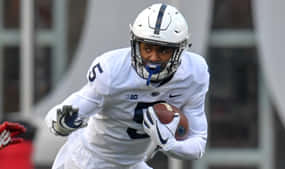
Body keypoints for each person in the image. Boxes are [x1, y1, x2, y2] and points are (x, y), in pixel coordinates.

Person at [45, 3, 209, 169]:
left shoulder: (194, 73)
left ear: (180, 51)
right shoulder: (112, 69)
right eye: (147, 48)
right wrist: (60, 123)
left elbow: (198, 144)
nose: (153, 58)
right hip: (88, 160)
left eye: (163, 50)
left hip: (133, 164)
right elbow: (65, 112)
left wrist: (169, 144)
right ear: (135, 45)